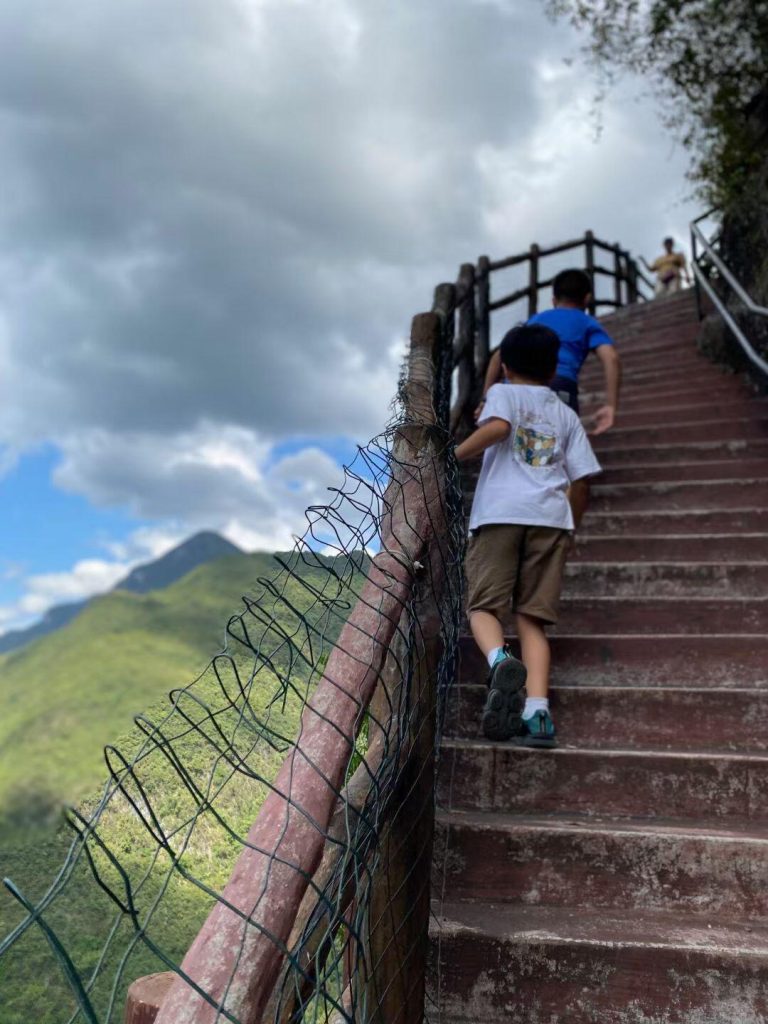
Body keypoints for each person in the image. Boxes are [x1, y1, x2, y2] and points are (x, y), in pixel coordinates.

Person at [455, 323, 601, 748]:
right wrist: (570, 526)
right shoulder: (566, 414)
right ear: (555, 367)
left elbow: (498, 428)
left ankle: (500, 659)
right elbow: (583, 479)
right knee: (532, 619)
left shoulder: (504, 393)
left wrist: (453, 454)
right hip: (551, 519)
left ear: (504, 365)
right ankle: (538, 715)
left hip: (500, 514)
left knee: (483, 606)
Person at [478, 268, 621, 435]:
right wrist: (611, 405)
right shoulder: (587, 322)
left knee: (509, 445)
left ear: (553, 300)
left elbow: (499, 355)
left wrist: (486, 399)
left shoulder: (536, 319)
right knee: (558, 448)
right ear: (587, 299)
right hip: (560, 386)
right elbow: (611, 358)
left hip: (516, 385)